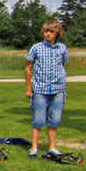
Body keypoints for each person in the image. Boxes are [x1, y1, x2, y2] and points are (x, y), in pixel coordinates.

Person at [25, 20, 69, 158]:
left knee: (54, 120)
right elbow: (28, 68)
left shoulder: (62, 48)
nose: (48, 34)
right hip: (40, 89)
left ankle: (52, 147)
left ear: (57, 33)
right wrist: (29, 88)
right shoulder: (36, 48)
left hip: (57, 89)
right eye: (46, 31)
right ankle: (34, 147)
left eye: (51, 32)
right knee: (38, 120)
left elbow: (62, 64)